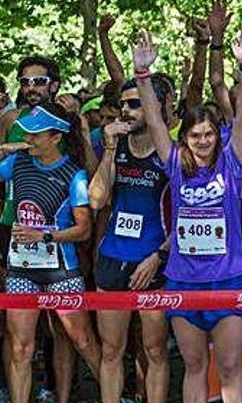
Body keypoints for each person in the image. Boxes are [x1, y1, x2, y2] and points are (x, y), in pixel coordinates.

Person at [133, 27, 242, 403]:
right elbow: (154, 120)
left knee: (231, 367)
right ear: (184, 137)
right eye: (195, 135)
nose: (203, 141)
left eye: (208, 134)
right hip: (183, 281)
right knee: (194, 366)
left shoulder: (232, 165)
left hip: (229, 279)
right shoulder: (175, 164)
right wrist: (142, 75)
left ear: (216, 137)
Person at [1, 104, 102, 403]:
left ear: (56, 137)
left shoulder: (74, 173)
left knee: (82, 341)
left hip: (62, 270)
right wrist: (3, 150)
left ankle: (114, 394)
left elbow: (83, 229)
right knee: (20, 347)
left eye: (35, 134)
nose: (28, 139)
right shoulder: (17, 161)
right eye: (27, 133)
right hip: (21, 269)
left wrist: (43, 234)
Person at [89, 78, 172, 403]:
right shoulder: (115, 146)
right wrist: (109, 148)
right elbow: (96, 201)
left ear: (157, 107)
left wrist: (158, 257)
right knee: (111, 350)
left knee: (154, 350)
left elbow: (186, 217)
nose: (126, 109)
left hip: (153, 262)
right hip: (113, 258)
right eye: (124, 103)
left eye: (135, 103)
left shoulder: (172, 154)